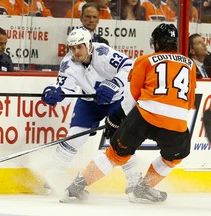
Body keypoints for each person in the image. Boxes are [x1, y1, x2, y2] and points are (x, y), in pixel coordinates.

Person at [61, 23, 196, 204]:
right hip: (176, 121)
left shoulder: (144, 60)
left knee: (115, 155)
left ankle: (75, 188)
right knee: (175, 156)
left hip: (143, 116)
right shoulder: (190, 65)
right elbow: (189, 102)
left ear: (155, 43)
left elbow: (131, 97)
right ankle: (144, 188)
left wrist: (116, 119)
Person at [41, 27, 141, 198]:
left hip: (115, 100)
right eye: (72, 48)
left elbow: (129, 66)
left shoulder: (103, 52)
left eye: (79, 46)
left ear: (89, 44)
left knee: (120, 140)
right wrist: (56, 93)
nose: (76, 51)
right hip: (89, 102)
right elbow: (66, 90)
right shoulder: (68, 64)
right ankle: (53, 176)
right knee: (74, 136)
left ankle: (134, 179)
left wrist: (114, 83)